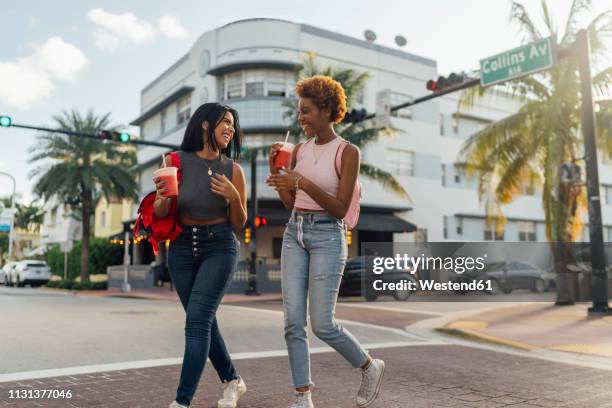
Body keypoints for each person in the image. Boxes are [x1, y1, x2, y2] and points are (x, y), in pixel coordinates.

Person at [266, 76, 385, 408]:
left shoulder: (347, 152)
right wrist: (279, 178)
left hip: (328, 235)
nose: (300, 117)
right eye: (299, 111)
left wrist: (301, 180)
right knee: (292, 320)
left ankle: (369, 366)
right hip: (295, 231)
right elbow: (291, 203)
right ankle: (303, 397)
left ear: (326, 110)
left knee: (322, 323)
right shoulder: (299, 150)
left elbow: (339, 207)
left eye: (306, 111)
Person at [154, 102, 248, 408]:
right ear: (206, 125)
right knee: (203, 320)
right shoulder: (174, 160)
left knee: (196, 323)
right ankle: (232, 381)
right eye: (225, 122)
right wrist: (163, 196)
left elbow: (239, 223)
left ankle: (181, 402)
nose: (231, 129)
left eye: (233, 124)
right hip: (181, 249)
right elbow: (162, 212)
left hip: (219, 246)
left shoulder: (233, 170)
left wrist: (233, 196)